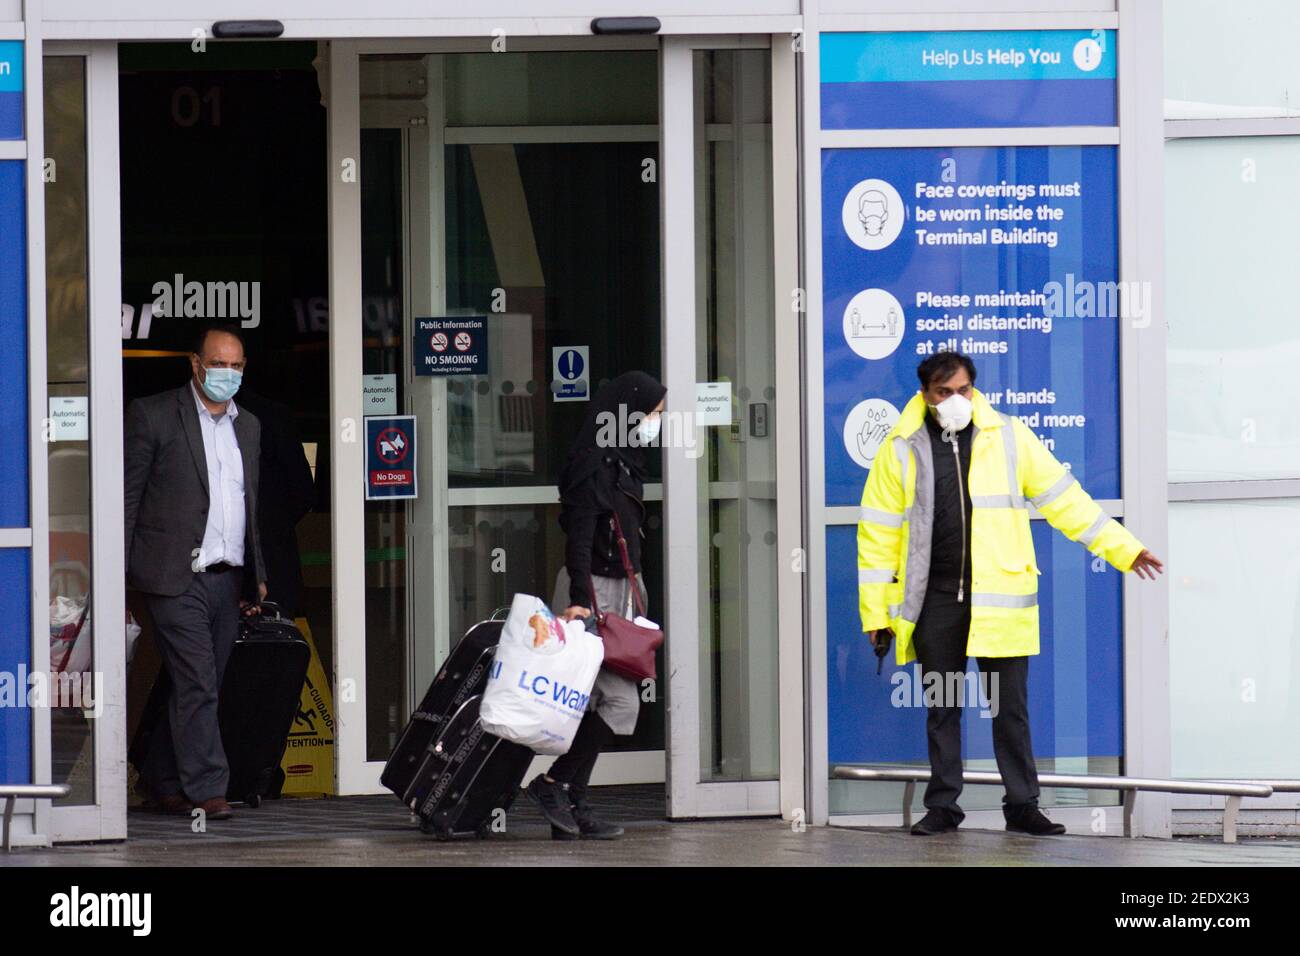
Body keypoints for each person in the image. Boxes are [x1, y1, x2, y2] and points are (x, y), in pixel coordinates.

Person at [857, 353, 1164, 837]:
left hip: (998, 599)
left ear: (974, 390)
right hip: (937, 600)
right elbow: (877, 536)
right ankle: (944, 807)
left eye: (962, 390)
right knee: (944, 707)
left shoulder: (1008, 437)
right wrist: (876, 613)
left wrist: (1124, 549)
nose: (955, 400)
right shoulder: (899, 448)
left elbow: (1065, 500)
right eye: (943, 392)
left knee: (1009, 710)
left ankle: (1023, 805)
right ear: (924, 396)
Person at [124, 323, 267, 821]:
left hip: (226, 577)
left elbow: (252, 506)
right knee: (198, 680)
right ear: (196, 364)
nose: (227, 372)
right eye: (218, 363)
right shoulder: (154, 415)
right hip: (171, 575)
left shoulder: (247, 426)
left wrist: (257, 575)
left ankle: (162, 777)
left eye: (236, 365)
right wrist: (117, 575)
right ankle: (209, 789)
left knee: (198, 683)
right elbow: (127, 499)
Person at [525, 371, 667, 841]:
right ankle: (555, 785)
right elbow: (580, 540)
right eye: (653, 415)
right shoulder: (595, 466)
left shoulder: (623, 462)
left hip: (617, 596)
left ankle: (572, 800)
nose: (656, 425)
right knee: (621, 701)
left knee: (588, 703)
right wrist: (580, 603)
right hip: (593, 597)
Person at [233, 388, 315, 619]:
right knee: (274, 644)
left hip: (266, 562)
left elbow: (303, 492)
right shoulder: (275, 415)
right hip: (274, 559)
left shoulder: (269, 417)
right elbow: (303, 492)